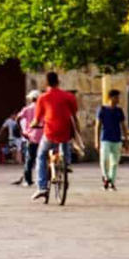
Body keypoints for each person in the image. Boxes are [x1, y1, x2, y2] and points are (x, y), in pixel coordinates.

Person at [32, 71, 80, 202]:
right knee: (65, 141)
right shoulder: (69, 96)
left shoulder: (43, 97)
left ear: (46, 83)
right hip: (65, 132)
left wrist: (32, 125)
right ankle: (66, 163)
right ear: (58, 81)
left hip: (50, 132)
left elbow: (37, 120)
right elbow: (74, 114)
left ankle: (42, 187)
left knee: (41, 156)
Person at [96, 89, 127, 191]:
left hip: (117, 139)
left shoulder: (119, 111)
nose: (118, 99)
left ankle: (111, 181)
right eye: (116, 97)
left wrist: (125, 139)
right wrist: (96, 140)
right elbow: (98, 126)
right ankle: (105, 177)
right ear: (110, 97)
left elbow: (123, 126)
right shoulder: (102, 109)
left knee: (114, 162)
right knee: (104, 159)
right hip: (105, 138)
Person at [14, 90, 41, 186]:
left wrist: (22, 130)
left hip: (31, 136)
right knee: (42, 159)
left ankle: (28, 180)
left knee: (29, 159)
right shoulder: (43, 109)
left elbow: (17, 118)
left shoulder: (27, 109)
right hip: (43, 136)